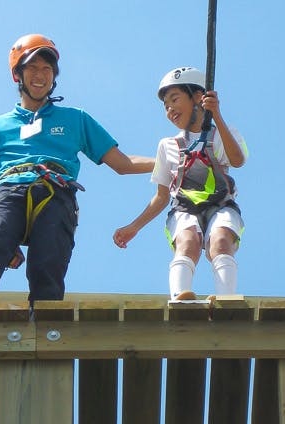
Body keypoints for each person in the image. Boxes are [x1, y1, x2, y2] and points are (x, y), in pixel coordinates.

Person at [0, 34, 154, 309]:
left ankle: (45, 310)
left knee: (50, 253)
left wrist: (170, 160)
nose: (40, 75)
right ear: (18, 74)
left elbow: (122, 163)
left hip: (56, 190)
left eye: (47, 69)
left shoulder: (75, 119)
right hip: (10, 188)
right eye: (32, 67)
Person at [113, 67, 248, 300]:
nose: (169, 109)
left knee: (221, 240)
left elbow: (237, 160)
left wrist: (216, 116)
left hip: (221, 205)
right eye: (165, 105)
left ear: (198, 97)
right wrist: (134, 226)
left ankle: (227, 299)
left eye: (175, 99)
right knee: (188, 242)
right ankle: (180, 297)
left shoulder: (221, 134)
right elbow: (161, 196)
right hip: (184, 208)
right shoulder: (168, 146)